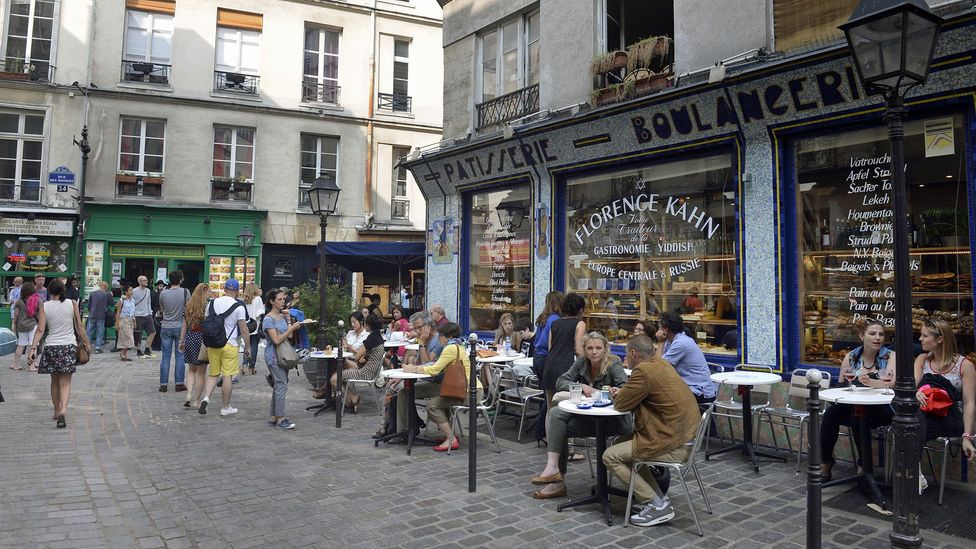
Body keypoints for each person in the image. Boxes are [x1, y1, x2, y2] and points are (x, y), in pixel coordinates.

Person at [603, 334, 701, 527]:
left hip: (674, 444)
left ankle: (655, 504)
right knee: (619, 443)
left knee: (610, 456)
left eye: (625, 355)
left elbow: (622, 405)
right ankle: (656, 497)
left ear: (633, 353)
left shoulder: (643, 371)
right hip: (683, 435)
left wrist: (620, 394)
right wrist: (626, 393)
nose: (625, 359)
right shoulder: (662, 364)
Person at [531, 332, 630, 498]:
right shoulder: (582, 363)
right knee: (556, 417)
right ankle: (554, 473)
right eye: (590, 348)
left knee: (558, 423)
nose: (594, 352)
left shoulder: (613, 364)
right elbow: (560, 381)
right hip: (590, 417)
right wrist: (583, 386)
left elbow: (627, 388)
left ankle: (555, 476)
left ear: (606, 348)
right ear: (584, 349)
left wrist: (617, 391)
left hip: (614, 420)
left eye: (598, 348)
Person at [819, 319, 895, 481]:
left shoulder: (890, 356)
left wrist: (871, 383)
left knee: (858, 416)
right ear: (862, 336)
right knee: (830, 414)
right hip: (854, 405)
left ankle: (864, 466)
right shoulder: (851, 357)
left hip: (881, 409)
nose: (878, 338)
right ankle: (825, 461)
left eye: (881, 334)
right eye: (872, 333)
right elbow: (840, 384)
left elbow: (891, 383)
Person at [400, 322, 483, 451]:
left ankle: (451, 438)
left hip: (468, 392)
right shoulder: (457, 346)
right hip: (471, 389)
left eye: (440, 336)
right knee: (439, 401)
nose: (439, 339)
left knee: (432, 405)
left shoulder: (450, 348)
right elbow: (434, 365)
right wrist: (416, 368)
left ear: (447, 336)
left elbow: (434, 370)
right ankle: (448, 435)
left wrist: (414, 369)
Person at [28, 278, 92, 429]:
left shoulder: (45, 306)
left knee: (54, 381)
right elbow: (79, 327)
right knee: (65, 382)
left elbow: (41, 329)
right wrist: (87, 344)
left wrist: (32, 348)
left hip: (51, 347)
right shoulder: (72, 303)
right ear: (63, 291)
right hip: (68, 346)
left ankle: (57, 410)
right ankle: (63, 410)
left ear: (50, 291)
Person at [915, 318, 975, 463]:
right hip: (926, 416)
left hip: (952, 418)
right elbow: (911, 386)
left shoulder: (964, 365)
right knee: (908, 427)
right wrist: (915, 392)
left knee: (910, 429)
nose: (920, 338)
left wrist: (967, 437)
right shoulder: (922, 359)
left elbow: (969, 403)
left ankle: (910, 474)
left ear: (940, 339)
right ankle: (913, 473)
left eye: (925, 335)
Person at [199, 279, 251, 417]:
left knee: (213, 374)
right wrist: (248, 346)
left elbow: (206, 322)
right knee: (227, 375)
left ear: (224, 289)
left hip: (213, 343)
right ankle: (225, 407)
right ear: (238, 291)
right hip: (230, 344)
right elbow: (244, 329)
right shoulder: (238, 307)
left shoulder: (212, 303)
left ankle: (206, 398)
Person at [654, 313, 716, 405]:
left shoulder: (681, 343)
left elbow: (658, 366)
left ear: (665, 329)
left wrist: (660, 342)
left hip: (699, 391)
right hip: (688, 387)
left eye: (659, 327)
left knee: (658, 398)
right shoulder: (671, 341)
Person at [262, 288, 302, 430]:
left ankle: (274, 417)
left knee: (279, 385)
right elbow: (277, 340)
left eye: (283, 299)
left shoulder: (281, 316)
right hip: (274, 356)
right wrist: (291, 329)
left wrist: (289, 320)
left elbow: (289, 337)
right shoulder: (268, 320)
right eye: (279, 299)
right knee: (281, 385)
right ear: (272, 302)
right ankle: (280, 419)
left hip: (282, 356)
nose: (282, 302)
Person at [542, 293, 587, 412]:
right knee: (568, 407)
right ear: (581, 310)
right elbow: (578, 350)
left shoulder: (554, 323)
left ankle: (549, 431)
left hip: (550, 366)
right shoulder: (580, 324)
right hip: (567, 368)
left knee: (550, 408)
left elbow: (550, 347)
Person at [332, 315, 385, 413]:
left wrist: (359, 356)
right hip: (372, 370)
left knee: (334, 379)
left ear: (367, 325)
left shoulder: (370, 339)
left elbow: (356, 357)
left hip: (365, 373)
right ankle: (352, 398)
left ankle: (352, 399)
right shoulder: (379, 338)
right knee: (340, 372)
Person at [532, 291, 564, 443]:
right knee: (550, 397)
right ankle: (542, 432)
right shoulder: (556, 319)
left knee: (547, 395)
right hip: (546, 358)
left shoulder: (543, 318)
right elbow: (553, 344)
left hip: (537, 357)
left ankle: (540, 432)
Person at [179, 284, 211, 409]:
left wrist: (181, 341)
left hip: (191, 338)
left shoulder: (188, 307)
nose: (210, 294)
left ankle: (188, 394)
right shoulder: (207, 307)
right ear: (204, 292)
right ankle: (197, 400)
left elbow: (184, 326)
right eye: (209, 292)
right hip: (203, 340)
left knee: (191, 370)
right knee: (202, 373)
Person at [158, 270, 190, 393]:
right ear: (181, 279)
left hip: (166, 326)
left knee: (165, 356)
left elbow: (162, 308)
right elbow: (189, 308)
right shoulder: (185, 292)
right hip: (180, 326)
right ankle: (179, 383)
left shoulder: (163, 293)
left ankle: (163, 384)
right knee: (180, 355)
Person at [10, 281, 39, 371]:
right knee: (33, 346)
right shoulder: (35, 300)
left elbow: (16, 316)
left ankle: (15, 364)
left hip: (21, 326)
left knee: (21, 345)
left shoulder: (19, 301)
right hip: (32, 325)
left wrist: (15, 325)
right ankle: (32, 365)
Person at [85, 281, 114, 354]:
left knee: (89, 332)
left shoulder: (92, 293)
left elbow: (89, 305)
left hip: (92, 315)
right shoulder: (107, 294)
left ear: (100, 286)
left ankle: (87, 348)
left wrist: (91, 311)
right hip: (101, 315)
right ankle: (97, 348)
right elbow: (112, 304)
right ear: (106, 287)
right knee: (100, 332)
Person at [131, 276, 156, 358]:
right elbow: (131, 303)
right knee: (138, 334)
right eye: (144, 280)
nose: (146, 281)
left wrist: (150, 313)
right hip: (138, 315)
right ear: (140, 282)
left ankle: (147, 349)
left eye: (146, 280)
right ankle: (138, 351)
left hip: (147, 314)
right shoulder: (134, 291)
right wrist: (133, 315)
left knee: (152, 332)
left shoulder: (148, 291)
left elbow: (148, 302)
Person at [242, 284, 264, 376]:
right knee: (254, 345)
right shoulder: (258, 299)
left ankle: (243, 365)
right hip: (255, 324)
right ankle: (251, 367)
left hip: (246, 324)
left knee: (246, 345)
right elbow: (261, 312)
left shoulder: (244, 300)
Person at [115, 285, 136, 361]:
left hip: (130, 320)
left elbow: (133, 312)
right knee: (128, 337)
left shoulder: (133, 300)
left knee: (127, 338)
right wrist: (117, 323)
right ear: (126, 291)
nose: (131, 292)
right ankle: (123, 353)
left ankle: (124, 354)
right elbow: (118, 312)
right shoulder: (121, 300)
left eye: (132, 290)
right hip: (123, 320)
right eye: (130, 290)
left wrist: (134, 321)